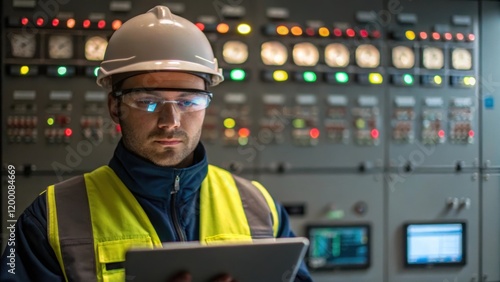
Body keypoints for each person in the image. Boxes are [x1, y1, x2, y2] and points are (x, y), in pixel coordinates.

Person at [0, 5, 313, 282]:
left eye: (189, 101)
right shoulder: (52, 218)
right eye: (148, 101)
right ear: (114, 107)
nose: (171, 120)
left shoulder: (259, 207)